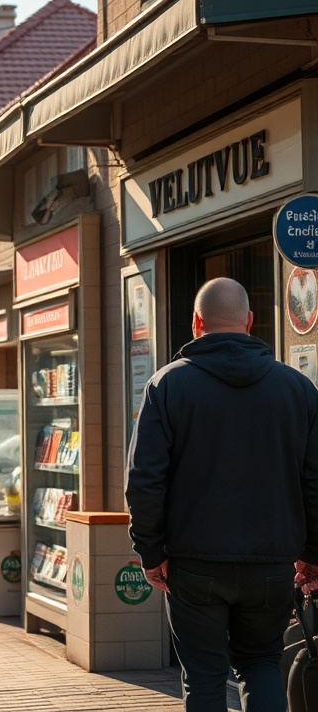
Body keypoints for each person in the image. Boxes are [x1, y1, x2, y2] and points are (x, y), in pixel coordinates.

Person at [126, 278, 318, 711]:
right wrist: (311, 553)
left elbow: (144, 480)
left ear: (196, 322)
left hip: (194, 564)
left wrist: (151, 551)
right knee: (262, 664)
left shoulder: (167, 386)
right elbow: (315, 480)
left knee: (204, 676)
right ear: (250, 321)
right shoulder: (298, 389)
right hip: (273, 564)